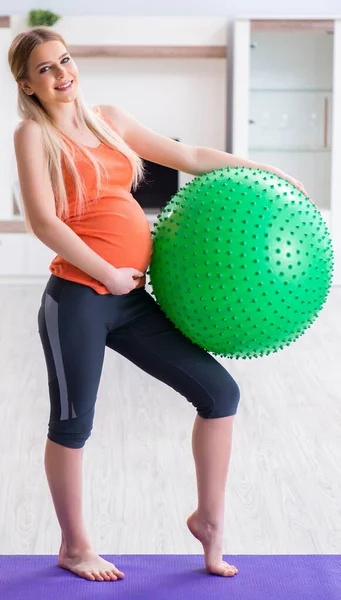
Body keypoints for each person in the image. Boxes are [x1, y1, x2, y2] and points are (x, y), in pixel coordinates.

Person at [8, 27, 307, 584]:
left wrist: (265, 171)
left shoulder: (109, 119)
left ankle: (209, 521)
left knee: (220, 393)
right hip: (77, 297)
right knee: (73, 424)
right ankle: (75, 546)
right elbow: (43, 221)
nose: (61, 73)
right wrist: (103, 273)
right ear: (27, 83)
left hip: (130, 298)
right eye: (45, 69)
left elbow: (189, 155)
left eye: (65, 60)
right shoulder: (33, 136)